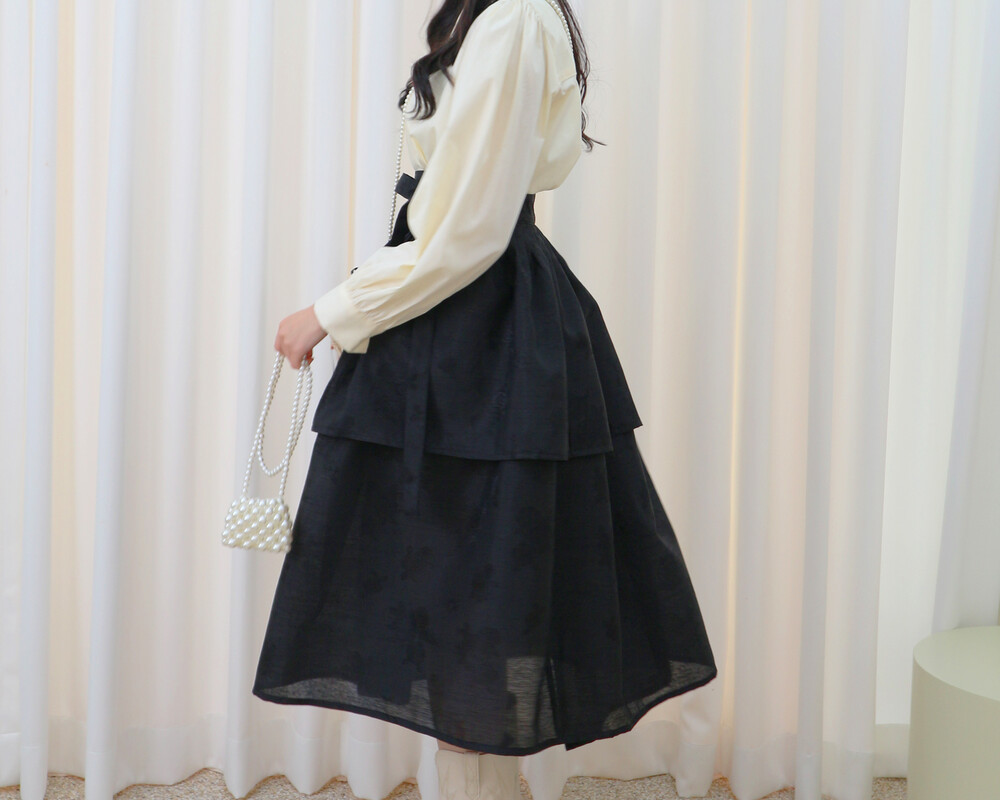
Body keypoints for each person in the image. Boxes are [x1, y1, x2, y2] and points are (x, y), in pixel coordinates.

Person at [255, 0, 718, 797]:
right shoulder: (495, 16)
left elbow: (469, 230)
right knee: (458, 603)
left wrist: (333, 311)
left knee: (472, 605)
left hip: (479, 334)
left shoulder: (512, 21)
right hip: (460, 327)